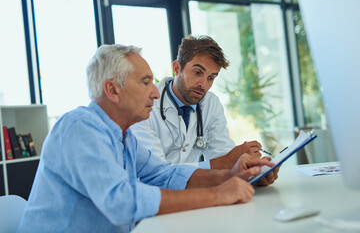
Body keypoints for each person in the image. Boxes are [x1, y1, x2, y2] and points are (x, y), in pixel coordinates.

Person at [17, 44, 274, 233]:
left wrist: (232, 176)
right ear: (112, 89)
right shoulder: (80, 127)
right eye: (145, 82)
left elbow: (165, 175)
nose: (154, 92)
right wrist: (219, 194)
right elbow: (122, 201)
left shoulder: (124, 137)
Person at [131, 35, 279, 185]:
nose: (203, 84)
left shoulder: (211, 103)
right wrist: (225, 162)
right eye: (197, 72)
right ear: (176, 68)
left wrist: (252, 174)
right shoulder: (143, 106)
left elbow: (224, 157)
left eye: (211, 78)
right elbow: (156, 173)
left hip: (193, 192)